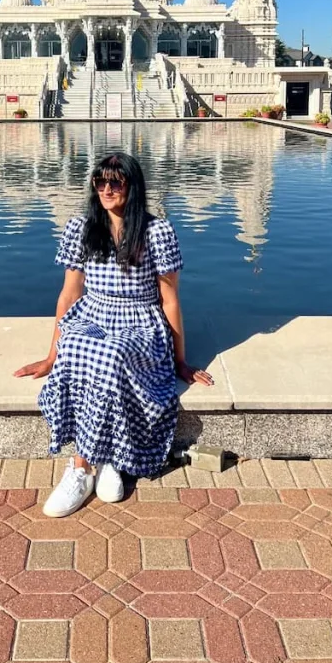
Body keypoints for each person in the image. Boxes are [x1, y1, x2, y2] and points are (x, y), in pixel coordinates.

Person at [15, 151, 213, 517]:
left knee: (112, 354)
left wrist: (180, 361)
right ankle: (92, 464)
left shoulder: (157, 232)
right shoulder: (81, 228)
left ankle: (92, 462)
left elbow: (170, 300)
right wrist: (52, 355)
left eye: (116, 183)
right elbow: (70, 294)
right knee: (76, 345)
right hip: (94, 312)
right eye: (100, 182)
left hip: (140, 321)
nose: (107, 190)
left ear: (132, 187)